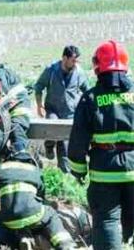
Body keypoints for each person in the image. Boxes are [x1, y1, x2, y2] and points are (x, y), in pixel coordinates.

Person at [68, 40, 134, 249]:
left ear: (98, 66)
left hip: (104, 171)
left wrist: (78, 170)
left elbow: (78, 140)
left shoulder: (90, 99)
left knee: (107, 220)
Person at [34, 45, 88, 173]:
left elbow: (87, 91)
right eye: (73, 60)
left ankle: (65, 173)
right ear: (64, 58)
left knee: (64, 143)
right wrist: (39, 105)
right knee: (52, 130)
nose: (75, 63)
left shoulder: (79, 73)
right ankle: (49, 145)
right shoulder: (51, 71)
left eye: (77, 61)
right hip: (53, 109)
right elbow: (39, 87)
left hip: (70, 112)